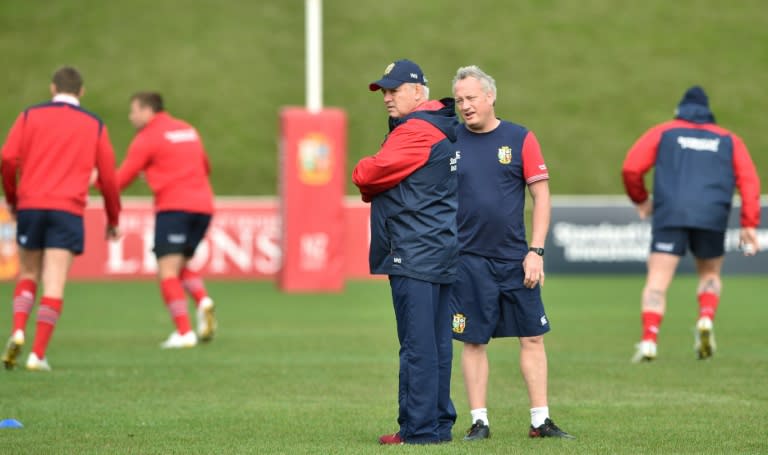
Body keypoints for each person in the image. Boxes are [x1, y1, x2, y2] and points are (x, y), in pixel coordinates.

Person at [449, 65, 574, 440]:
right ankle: (479, 421)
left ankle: (540, 420)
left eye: (471, 98)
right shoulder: (448, 140)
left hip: (515, 258)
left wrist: (535, 251)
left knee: (533, 338)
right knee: (473, 340)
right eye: (458, 100)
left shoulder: (520, 138)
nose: (465, 106)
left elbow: (542, 195)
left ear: (490, 96)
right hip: (467, 260)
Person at [352, 59, 459, 445]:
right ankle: (439, 423)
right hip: (438, 248)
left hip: (414, 251)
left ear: (419, 91)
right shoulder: (438, 126)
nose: (387, 97)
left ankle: (419, 430)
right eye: (384, 90)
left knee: (417, 345)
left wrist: (366, 171)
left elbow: (368, 174)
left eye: (394, 90)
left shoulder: (415, 131)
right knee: (436, 343)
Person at [622, 85, 761, 362]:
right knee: (709, 275)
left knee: (657, 282)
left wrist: (641, 199)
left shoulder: (664, 131)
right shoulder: (729, 139)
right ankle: (706, 318)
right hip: (712, 214)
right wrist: (749, 223)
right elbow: (749, 181)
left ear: (680, 110)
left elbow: (631, 167)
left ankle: (649, 339)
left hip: (670, 212)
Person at [1, 66, 121, 371]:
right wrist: (112, 217)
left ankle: (17, 330)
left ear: (53, 88)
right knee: (54, 283)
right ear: (82, 92)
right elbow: (108, 177)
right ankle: (37, 355)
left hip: (31, 205)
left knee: (28, 272)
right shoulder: (94, 124)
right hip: (67, 209)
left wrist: (14, 198)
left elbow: (7, 158)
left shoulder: (30, 115)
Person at [116, 92, 216, 349]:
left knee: (167, 270)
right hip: (204, 207)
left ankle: (184, 332)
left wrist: (94, 181)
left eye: (134, 111)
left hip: (174, 208)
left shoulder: (148, 137)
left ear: (148, 110)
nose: (131, 116)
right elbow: (205, 166)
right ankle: (202, 300)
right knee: (180, 263)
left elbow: (121, 179)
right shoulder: (187, 129)